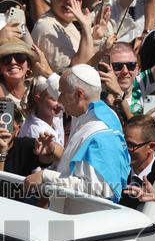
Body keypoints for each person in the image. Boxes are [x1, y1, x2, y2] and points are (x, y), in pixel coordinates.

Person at [25, 64, 131, 202]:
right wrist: (52, 149)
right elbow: (68, 93)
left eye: (62, 94)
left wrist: (45, 176)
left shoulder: (100, 134)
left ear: (79, 95)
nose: (60, 100)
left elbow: (101, 190)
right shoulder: (100, 113)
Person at [119, 115, 155, 209]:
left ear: (151, 147)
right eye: (123, 143)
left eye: (131, 145)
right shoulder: (117, 173)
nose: (124, 150)